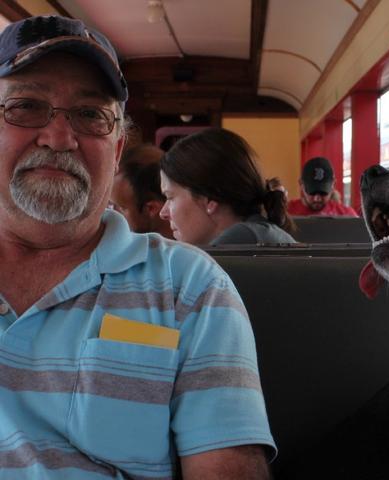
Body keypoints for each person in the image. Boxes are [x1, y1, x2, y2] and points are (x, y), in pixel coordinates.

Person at [0, 15, 274, 479]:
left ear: (118, 145)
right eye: (26, 106)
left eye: (90, 115)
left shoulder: (190, 288)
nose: (60, 138)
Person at [159, 127, 297, 245]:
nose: (163, 213)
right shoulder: (259, 232)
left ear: (208, 200)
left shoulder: (242, 238)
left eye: (170, 197)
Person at [111, 143, 173, 237]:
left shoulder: (190, 249)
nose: (111, 213)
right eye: (110, 205)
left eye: (121, 207)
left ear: (151, 208)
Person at [287, 156, 358, 216]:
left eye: (323, 193)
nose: (317, 199)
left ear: (333, 185)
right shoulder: (285, 213)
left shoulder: (347, 215)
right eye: (312, 192)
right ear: (301, 184)